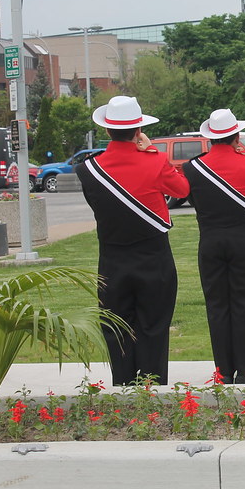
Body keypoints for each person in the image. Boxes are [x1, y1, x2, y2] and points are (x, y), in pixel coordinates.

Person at [75, 96, 189, 386]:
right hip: (154, 257)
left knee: (116, 329)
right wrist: (150, 150)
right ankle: (152, 391)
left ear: (106, 130)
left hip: (112, 260)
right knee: (154, 327)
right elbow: (182, 188)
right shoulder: (155, 161)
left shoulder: (88, 169)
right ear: (138, 130)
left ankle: (123, 391)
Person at [183, 108, 245, 384]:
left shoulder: (193, 167)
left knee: (216, 305)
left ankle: (223, 370)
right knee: (244, 304)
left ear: (210, 138)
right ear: (237, 136)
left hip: (210, 240)